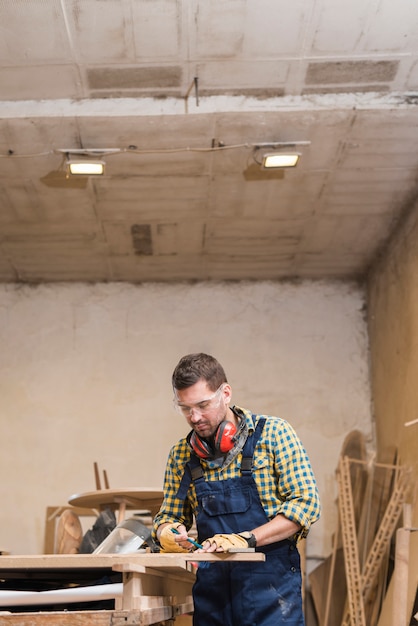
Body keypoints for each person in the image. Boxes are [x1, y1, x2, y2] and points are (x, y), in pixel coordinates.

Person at [153, 353, 321, 626]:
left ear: (226, 393)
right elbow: (168, 517)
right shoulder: (182, 455)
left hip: (272, 592)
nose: (194, 417)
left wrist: (246, 539)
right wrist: (167, 533)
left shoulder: (274, 434)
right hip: (213, 596)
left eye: (203, 405)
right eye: (185, 408)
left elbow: (306, 505)